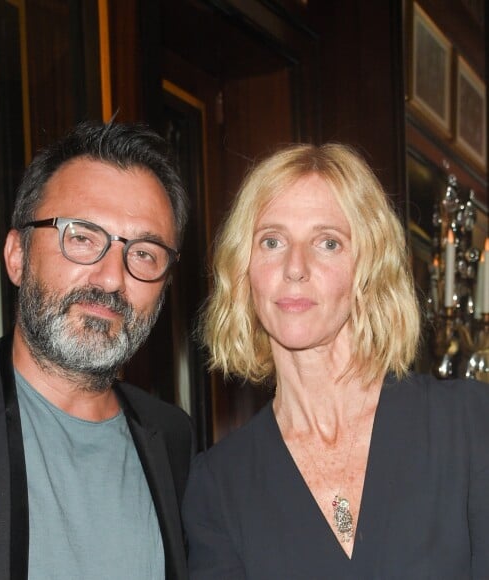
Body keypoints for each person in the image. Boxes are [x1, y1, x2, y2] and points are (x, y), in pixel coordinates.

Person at [182, 143, 489, 578]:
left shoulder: (469, 424)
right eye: (272, 241)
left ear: (368, 266)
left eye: (328, 242)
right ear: (242, 270)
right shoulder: (218, 484)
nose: (295, 267)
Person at [0, 120, 195, 580]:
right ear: (16, 255)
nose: (110, 278)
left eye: (143, 252)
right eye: (81, 236)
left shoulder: (174, 439)